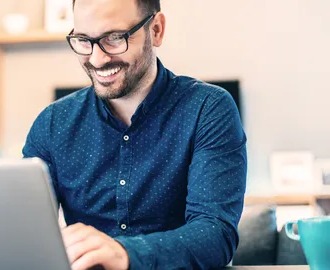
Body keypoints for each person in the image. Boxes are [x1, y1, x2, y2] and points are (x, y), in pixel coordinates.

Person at [22, 0, 247, 269]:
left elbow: (215, 235)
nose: (97, 59)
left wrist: (123, 253)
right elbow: (24, 232)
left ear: (156, 30)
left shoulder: (208, 109)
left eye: (115, 38)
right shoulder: (52, 124)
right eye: (84, 40)